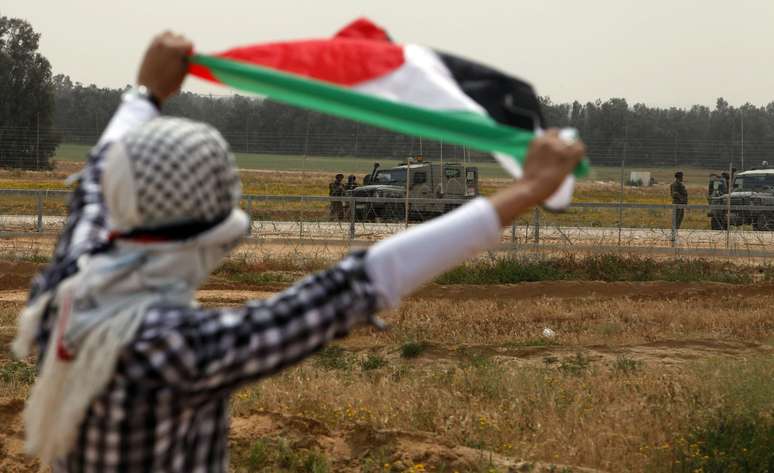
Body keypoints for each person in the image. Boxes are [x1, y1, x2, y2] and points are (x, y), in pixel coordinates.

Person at [12, 32, 584, 472]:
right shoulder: (171, 351)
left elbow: (94, 185)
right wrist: (528, 191)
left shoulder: (74, 280)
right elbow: (351, 287)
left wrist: (145, 95)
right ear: (207, 238)